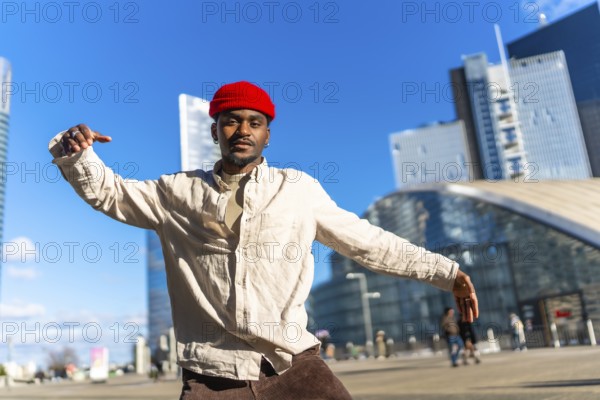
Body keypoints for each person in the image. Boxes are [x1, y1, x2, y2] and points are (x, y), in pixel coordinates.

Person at [49, 81, 479, 399]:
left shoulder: (299, 190)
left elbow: (368, 242)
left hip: (294, 367)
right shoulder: (175, 193)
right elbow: (111, 193)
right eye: (231, 121)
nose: (243, 130)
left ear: (267, 133)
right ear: (215, 130)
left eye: (254, 123)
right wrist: (78, 154)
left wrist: (448, 273)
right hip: (211, 378)